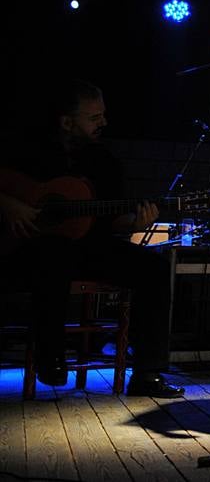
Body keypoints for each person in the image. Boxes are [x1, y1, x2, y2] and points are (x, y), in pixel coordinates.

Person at [0, 80, 183, 398]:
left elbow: (114, 221)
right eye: (94, 118)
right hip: (27, 246)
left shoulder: (104, 161)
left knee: (153, 268)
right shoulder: (27, 150)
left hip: (89, 246)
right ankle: (51, 359)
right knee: (52, 253)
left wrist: (137, 220)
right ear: (67, 122)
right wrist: (9, 204)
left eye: (104, 115)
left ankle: (147, 374)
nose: (104, 123)